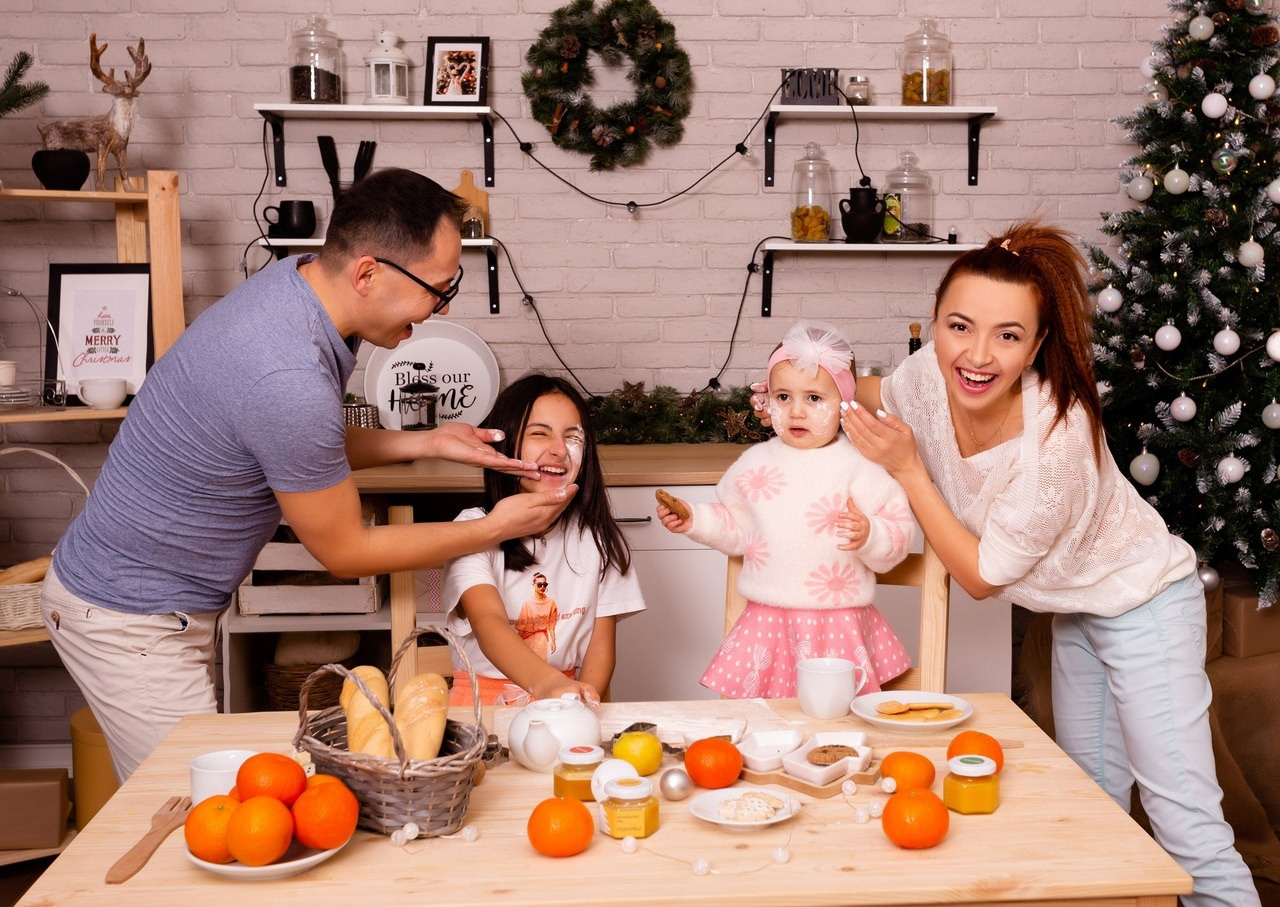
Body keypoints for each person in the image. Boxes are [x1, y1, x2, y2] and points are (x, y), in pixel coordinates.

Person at [40, 169, 576, 780]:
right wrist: (493, 529)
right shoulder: (286, 373)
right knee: (201, 808)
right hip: (128, 617)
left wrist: (426, 441)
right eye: (438, 287)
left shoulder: (297, 284)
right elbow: (346, 551)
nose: (443, 307)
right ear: (368, 273)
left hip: (151, 602)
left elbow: (295, 442)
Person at [835, 222, 1258, 907]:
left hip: (1144, 602)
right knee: (1093, 813)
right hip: (1075, 610)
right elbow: (873, 388)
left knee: (1187, 829)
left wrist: (909, 469)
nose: (975, 354)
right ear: (936, 326)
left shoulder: (1058, 435)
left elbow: (980, 578)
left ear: (1035, 346)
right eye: (959, 326)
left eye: (1006, 335)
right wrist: (802, 384)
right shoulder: (927, 378)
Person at [657, 321, 915, 699]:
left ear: (844, 404)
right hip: (768, 619)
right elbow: (736, 527)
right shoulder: (754, 464)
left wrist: (870, 533)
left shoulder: (861, 466)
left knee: (840, 720)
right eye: (783, 398)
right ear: (767, 400)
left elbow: (899, 530)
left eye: (814, 399)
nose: (796, 412)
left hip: (837, 622)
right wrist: (694, 519)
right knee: (768, 722)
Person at [443, 373, 644, 707]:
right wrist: (546, 684)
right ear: (504, 445)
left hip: (566, 700)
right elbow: (488, 624)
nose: (559, 450)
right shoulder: (475, 529)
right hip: (481, 705)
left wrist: (580, 702)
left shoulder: (599, 540)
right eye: (540, 433)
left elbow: (599, 652)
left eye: (572, 436)